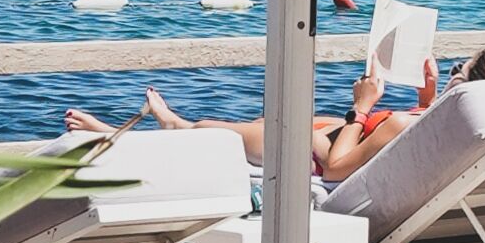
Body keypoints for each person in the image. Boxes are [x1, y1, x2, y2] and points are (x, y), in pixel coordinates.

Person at [75, 55, 442, 181]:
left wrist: (361, 107)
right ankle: (169, 128)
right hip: (317, 136)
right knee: (254, 125)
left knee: (205, 135)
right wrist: (427, 96)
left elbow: (336, 167)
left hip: (310, 156)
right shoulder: (434, 119)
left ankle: (124, 136)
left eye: (461, 72)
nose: (454, 73)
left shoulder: (400, 124)